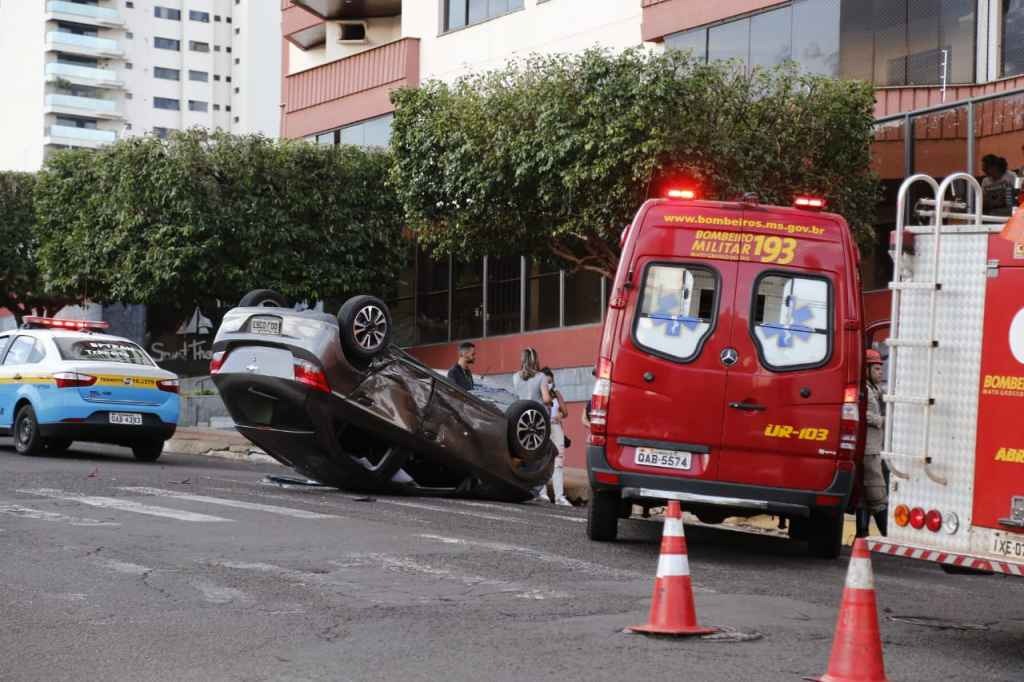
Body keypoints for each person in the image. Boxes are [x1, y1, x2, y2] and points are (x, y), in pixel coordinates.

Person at [857, 349, 888, 538]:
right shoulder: (864, 391)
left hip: (874, 448)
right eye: (876, 369)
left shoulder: (875, 389)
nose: (880, 372)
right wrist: (881, 420)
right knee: (877, 495)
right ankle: (887, 535)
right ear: (866, 370)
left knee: (865, 498)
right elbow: (863, 413)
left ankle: (862, 535)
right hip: (869, 450)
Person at [538, 367, 571, 506]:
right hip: (543, 427)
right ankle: (542, 493)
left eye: (551, 381)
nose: (549, 384)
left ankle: (559, 496)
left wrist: (557, 395)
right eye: (547, 381)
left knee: (558, 462)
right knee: (541, 459)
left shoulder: (556, 394)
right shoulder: (539, 393)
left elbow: (565, 411)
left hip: (556, 427)